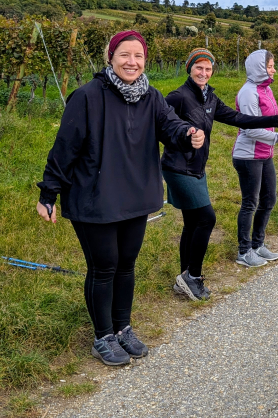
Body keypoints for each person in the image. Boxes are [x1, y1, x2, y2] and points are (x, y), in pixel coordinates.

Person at [36, 31, 205, 367]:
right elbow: (64, 149)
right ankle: (103, 336)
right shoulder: (86, 97)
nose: (132, 62)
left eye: (139, 56)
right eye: (125, 55)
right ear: (110, 57)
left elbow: (169, 126)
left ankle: (123, 327)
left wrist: (187, 133)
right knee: (104, 267)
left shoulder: (152, 97)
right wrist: (48, 194)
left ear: (145, 60)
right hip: (94, 198)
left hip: (134, 195)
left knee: (126, 265)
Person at [162, 47, 278, 300]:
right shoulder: (178, 97)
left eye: (208, 69)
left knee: (192, 223)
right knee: (207, 219)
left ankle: (183, 278)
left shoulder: (210, 98)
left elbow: (237, 118)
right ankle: (193, 276)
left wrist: (269, 119)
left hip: (196, 168)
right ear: (189, 68)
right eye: (199, 68)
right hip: (178, 167)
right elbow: (160, 127)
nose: (204, 73)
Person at [231, 49, 278, 268]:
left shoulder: (265, 89)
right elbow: (250, 130)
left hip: (264, 153)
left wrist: (276, 119)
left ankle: (257, 245)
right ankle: (243, 251)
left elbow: (266, 119)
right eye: (270, 66)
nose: (274, 69)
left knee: (269, 199)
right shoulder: (249, 92)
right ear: (259, 68)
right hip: (248, 155)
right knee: (250, 203)